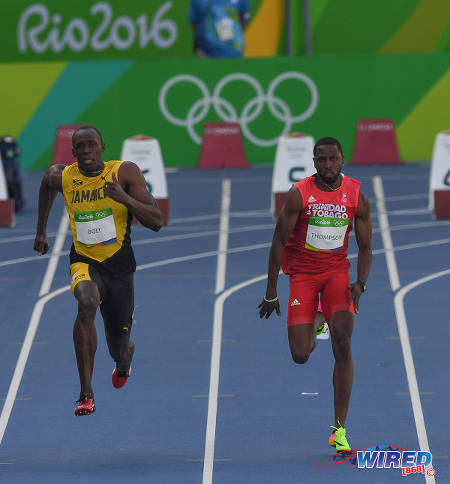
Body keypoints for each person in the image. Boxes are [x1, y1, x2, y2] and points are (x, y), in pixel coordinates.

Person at [33, 125, 163, 416]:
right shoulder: (64, 176)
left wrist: (125, 199)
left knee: (119, 347)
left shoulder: (124, 173)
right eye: (81, 147)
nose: (87, 151)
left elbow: (157, 221)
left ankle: (124, 361)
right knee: (86, 302)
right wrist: (41, 231)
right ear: (74, 152)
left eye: (92, 145)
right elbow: (46, 184)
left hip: (119, 266)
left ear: (103, 146)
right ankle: (86, 394)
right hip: (84, 260)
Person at [258, 137, 372, 452]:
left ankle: (340, 429)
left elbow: (365, 248)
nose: (327, 165)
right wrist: (271, 291)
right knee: (300, 355)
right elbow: (278, 241)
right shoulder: (300, 195)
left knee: (344, 344)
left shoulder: (357, 195)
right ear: (314, 161)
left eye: (333, 159)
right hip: (304, 276)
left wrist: (360, 283)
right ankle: (317, 319)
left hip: (337, 274)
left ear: (342, 159)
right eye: (321, 160)